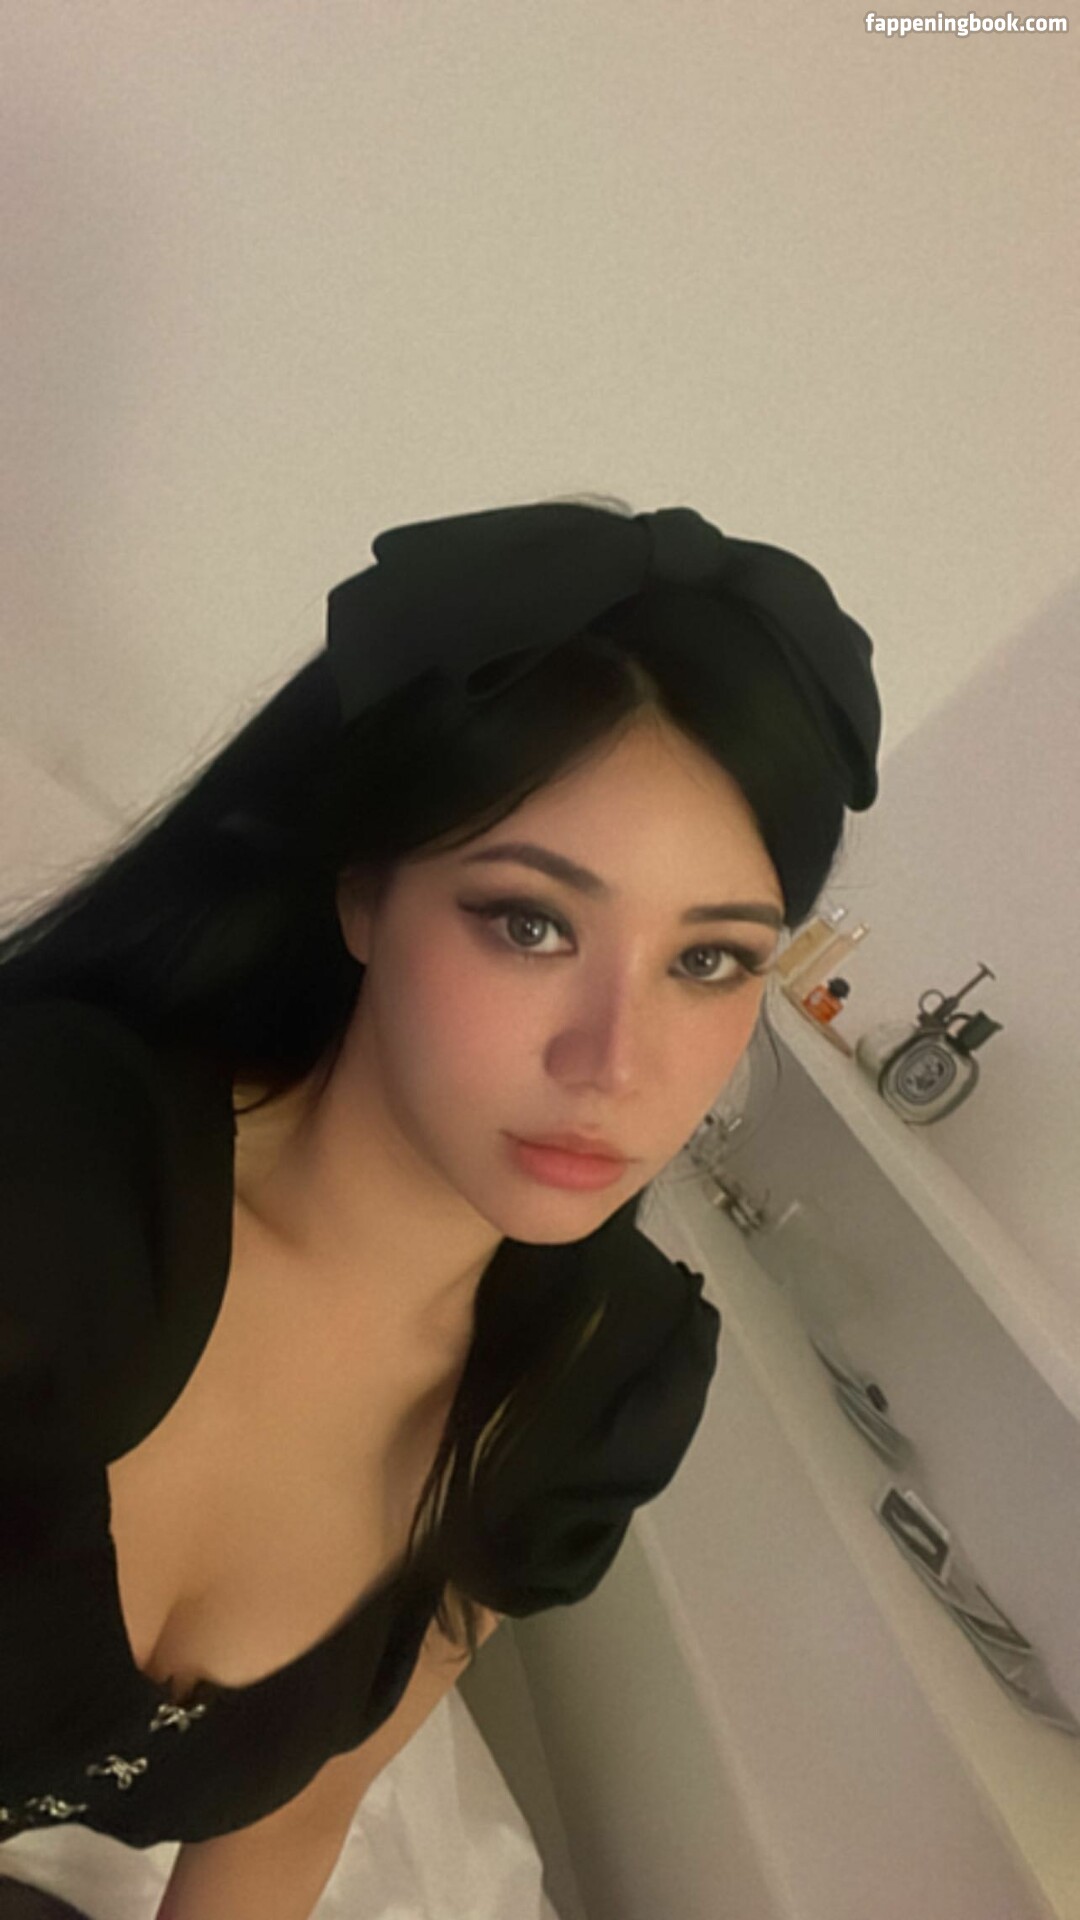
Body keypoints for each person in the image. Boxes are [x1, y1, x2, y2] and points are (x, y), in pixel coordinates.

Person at [0, 493, 882, 1919]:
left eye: (709, 961)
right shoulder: (49, 1177)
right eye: (531, 923)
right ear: (364, 895)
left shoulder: (595, 1384)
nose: (615, 1066)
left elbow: (299, 1810)